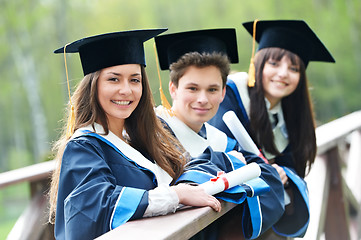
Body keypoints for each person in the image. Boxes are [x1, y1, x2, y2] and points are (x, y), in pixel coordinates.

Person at [48, 29, 225, 240]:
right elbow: (96, 208)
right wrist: (176, 195)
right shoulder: (84, 147)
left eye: (135, 80)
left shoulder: (143, 138)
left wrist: (193, 183)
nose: (126, 90)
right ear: (93, 86)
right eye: (114, 80)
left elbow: (190, 164)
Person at [209, 20, 335, 238]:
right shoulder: (230, 93)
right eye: (275, 64)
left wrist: (284, 174)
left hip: (269, 218)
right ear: (258, 64)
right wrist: (269, 171)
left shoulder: (294, 115)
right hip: (228, 218)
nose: (283, 73)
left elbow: (294, 166)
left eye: (294, 68)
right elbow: (222, 153)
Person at [154, 28, 285, 239]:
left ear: (224, 92)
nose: (203, 99)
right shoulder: (152, 135)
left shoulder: (221, 140)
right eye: (193, 88)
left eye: (212, 89)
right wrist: (231, 164)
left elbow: (268, 180)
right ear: (173, 88)